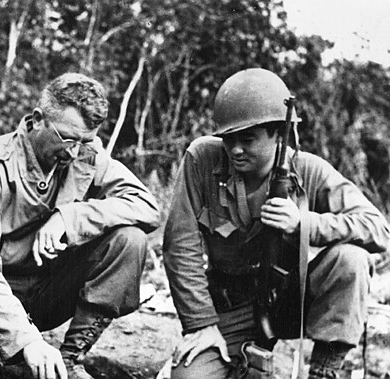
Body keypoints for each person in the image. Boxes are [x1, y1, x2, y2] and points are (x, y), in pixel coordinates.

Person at [162, 68, 390, 379]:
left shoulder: (309, 170)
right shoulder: (203, 159)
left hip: (293, 301)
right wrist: (201, 325)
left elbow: (377, 228)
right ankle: (244, 363)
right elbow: (180, 244)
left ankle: (325, 371)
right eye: (229, 139)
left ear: (278, 135)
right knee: (190, 377)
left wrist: (304, 223)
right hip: (233, 306)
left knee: (351, 260)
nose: (235, 149)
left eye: (248, 139)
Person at [0, 72, 160, 379]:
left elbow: (147, 207)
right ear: (37, 120)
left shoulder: (84, 155)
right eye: (67, 138)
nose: (74, 152)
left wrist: (71, 218)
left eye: (85, 141)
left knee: (130, 240)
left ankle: (68, 360)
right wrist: (26, 339)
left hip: (45, 289)